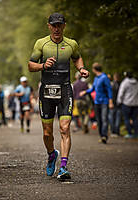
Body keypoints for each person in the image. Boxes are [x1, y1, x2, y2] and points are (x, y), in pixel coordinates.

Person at [28, 13, 89, 180]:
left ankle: (63, 167)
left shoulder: (71, 44)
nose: (56, 28)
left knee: (64, 128)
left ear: (64, 26)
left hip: (65, 89)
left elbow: (77, 59)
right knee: (47, 133)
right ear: (49, 26)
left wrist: (81, 68)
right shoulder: (41, 43)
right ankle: (51, 154)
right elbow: (30, 65)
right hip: (47, 90)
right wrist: (42, 65)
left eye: (59, 25)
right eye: (53, 25)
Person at [80, 63, 113, 144]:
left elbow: (109, 89)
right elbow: (93, 89)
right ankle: (102, 136)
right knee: (99, 120)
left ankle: (104, 136)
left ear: (94, 69)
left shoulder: (104, 77)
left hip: (104, 102)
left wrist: (110, 101)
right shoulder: (96, 78)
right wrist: (85, 92)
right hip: (96, 102)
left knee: (104, 119)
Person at [117, 71, 138, 139]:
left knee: (126, 119)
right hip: (135, 103)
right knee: (135, 119)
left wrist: (119, 101)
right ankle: (136, 133)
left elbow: (121, 93)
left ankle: (130, 133)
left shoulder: (125, 82)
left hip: (126, 103)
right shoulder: (136, 82)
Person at [109, 73, 121, 137]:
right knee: (117, 118)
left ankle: (113, 131)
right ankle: (117, 131)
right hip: (119, 103)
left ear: (114, 77)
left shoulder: (111, 84)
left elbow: (109, 94)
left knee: (111, 117)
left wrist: (110, 102)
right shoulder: (121, 84)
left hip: (112, 103)